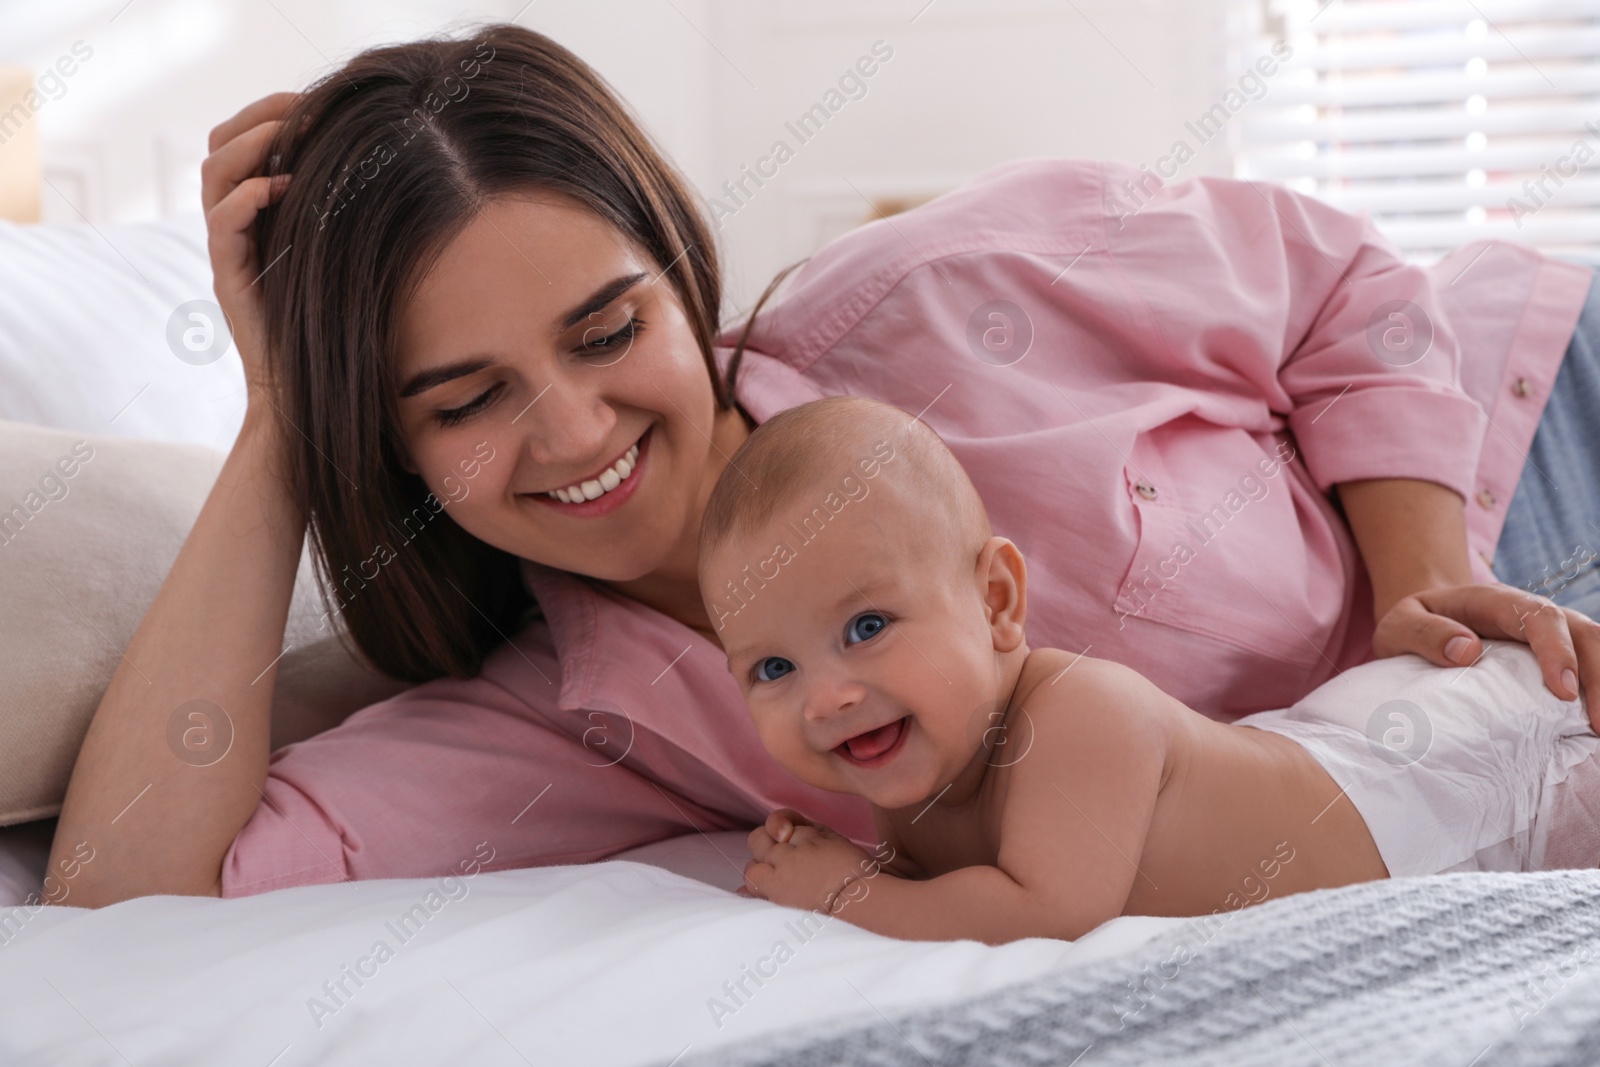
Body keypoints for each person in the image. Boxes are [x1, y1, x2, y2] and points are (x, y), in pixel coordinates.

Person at [47, 24, 1600, 907]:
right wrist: (279, 426)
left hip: (1520, 451)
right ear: (389, 440)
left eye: (608, 329)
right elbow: (118, 893)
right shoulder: (560, 718)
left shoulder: (936, 291)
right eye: (466, 401)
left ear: (680, 272)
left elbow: (1344, 289)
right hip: (1426, 775)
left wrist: (1427, 576)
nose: (576, 431)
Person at [709, 397, 1600, 943]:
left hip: (1472, 765)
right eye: (773, 667)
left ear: (995, 600)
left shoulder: (1076, 714)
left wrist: (845, 891)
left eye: (867, 626)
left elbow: (1044, 915)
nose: (827, 697)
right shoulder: (906, 771)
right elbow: (946, 901)